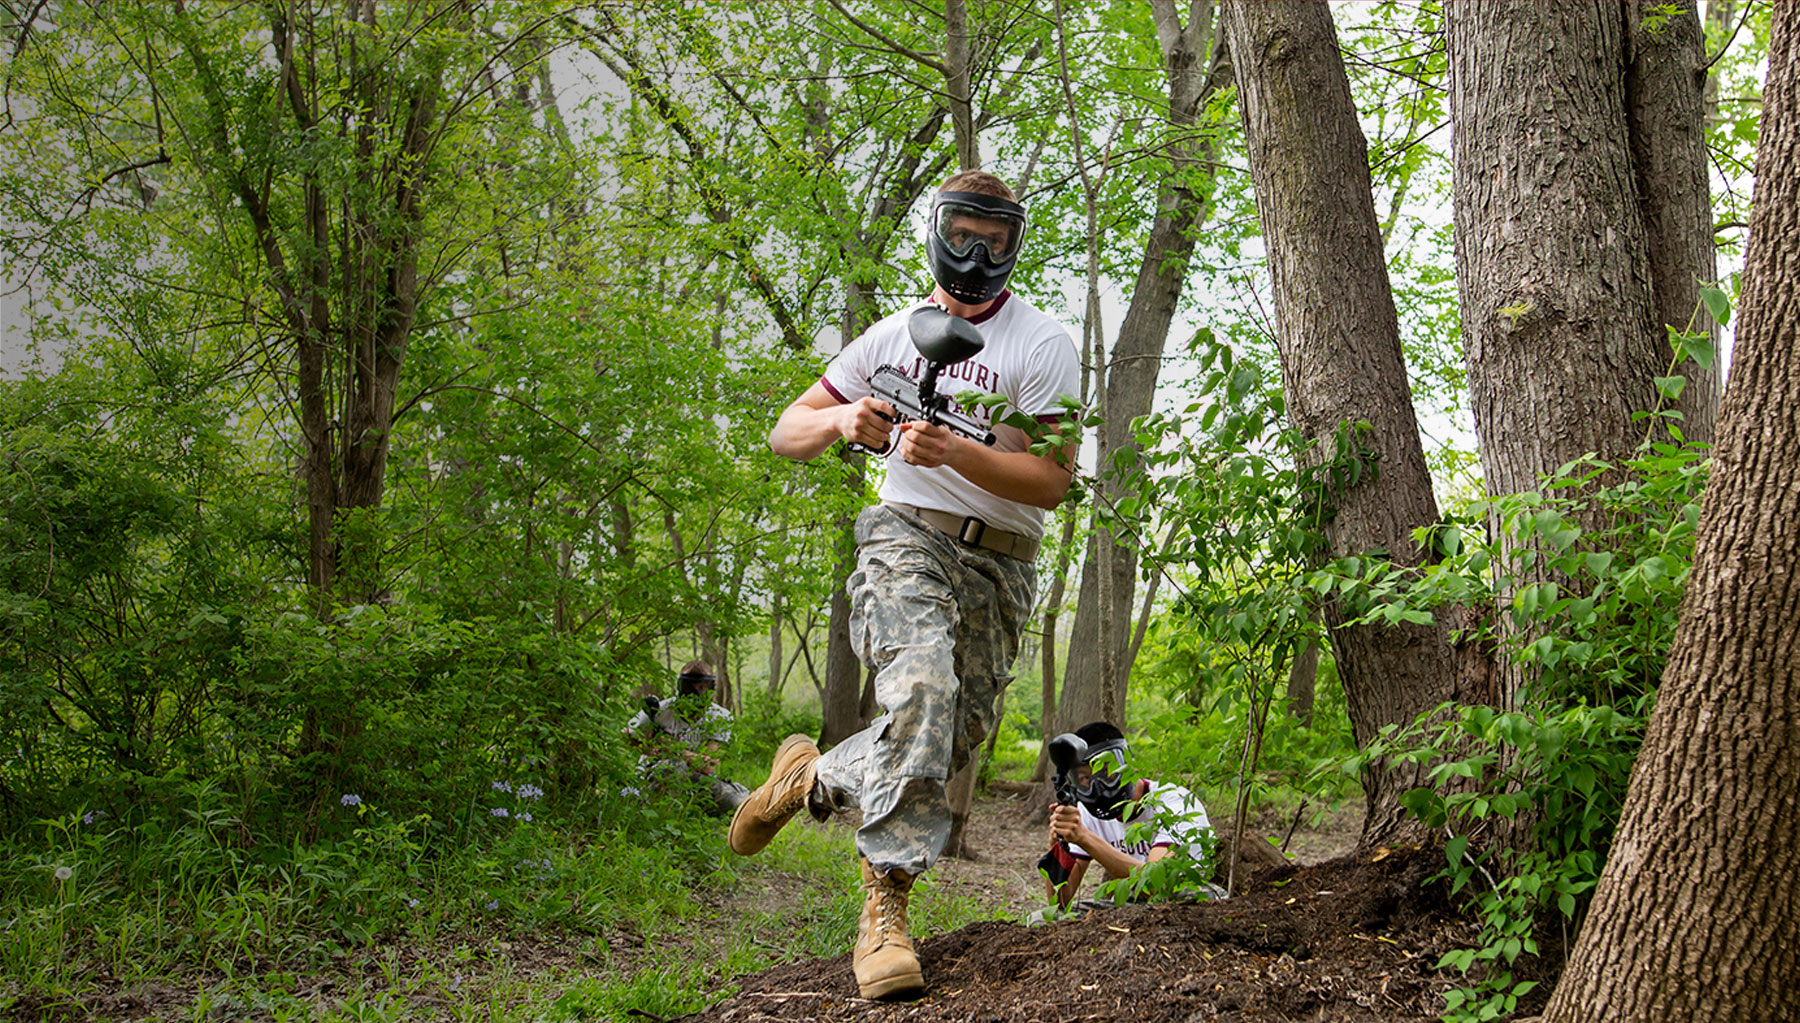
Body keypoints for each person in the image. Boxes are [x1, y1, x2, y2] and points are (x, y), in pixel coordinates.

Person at [729, 169, 1080, 1000]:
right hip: (904, 536)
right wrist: (843, 420)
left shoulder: (1043, 343)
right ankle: (884, 906)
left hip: (1001, 560)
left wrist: (959, 450)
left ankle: (809, 780)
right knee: (922, 688)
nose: (974, 253)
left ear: (1013, 246)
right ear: (937, 230)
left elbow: (1053, 478)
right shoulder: (888, 336)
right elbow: (787, 430)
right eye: (962, 232)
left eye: (993, 240)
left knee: (948, 739)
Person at [1039, 721, 1219, 915]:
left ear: (1127, 764)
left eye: (1105, 772)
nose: (1096, 787)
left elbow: (1158, 885)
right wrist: (1058, 846)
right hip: (1136, 906)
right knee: (1040, 918)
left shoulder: (1174, 802)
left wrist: (1085, 838)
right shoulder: (1084, 814)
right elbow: (1059, 903)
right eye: (1084, 778)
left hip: (1191, 902)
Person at [626, 659, 749, 815]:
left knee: (739, 802)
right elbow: (628, 735)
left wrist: (671, 747)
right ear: (680, 687)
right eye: (690, 687)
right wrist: (647, 747)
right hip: (655, 775)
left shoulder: (719, 716)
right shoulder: (658, 710)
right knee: (674, 768)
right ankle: (662, 815)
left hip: (696, 780)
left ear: (710, 688)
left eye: (702, 687)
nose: (696, 693)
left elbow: (707, 765)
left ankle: (691, 810)